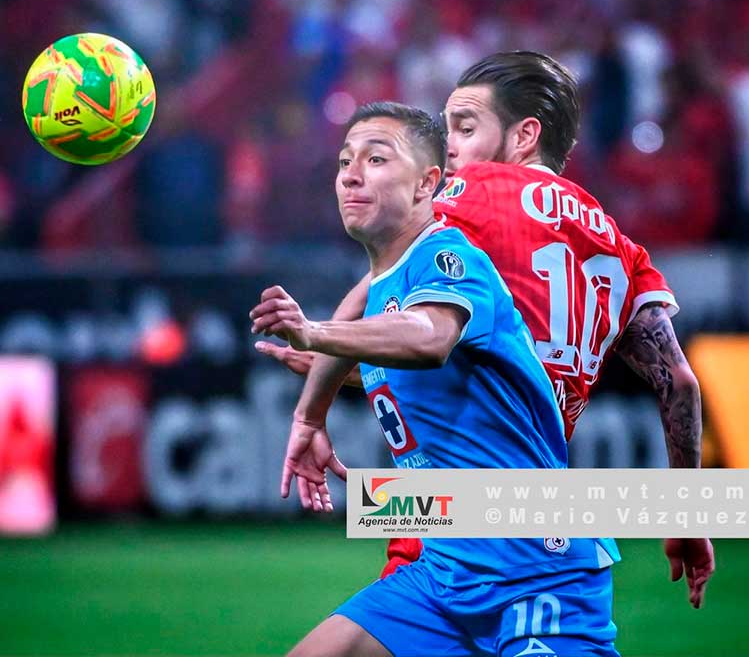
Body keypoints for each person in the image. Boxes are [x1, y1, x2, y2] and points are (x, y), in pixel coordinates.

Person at [259, 52, 713, 609]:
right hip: (535, 495)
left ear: (525, 136)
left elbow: (380, 287)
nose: (449, 145)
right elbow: (680, 385)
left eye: (465, 127)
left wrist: (314, 397)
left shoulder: (474, 192)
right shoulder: (622, 248)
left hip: (458, 505)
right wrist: (688, 514)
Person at [251, 101, 619, 657]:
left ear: (429, 183)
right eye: (345, 160)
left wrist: (315, 333)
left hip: (534, 565)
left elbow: (429, 338)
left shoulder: (448, 255)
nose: (351, 174)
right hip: (442, 573)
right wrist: (314, 407)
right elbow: (393, 348)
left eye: (376, 159)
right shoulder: (383, 289)